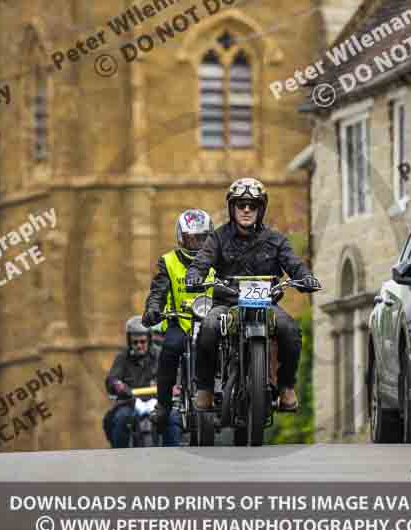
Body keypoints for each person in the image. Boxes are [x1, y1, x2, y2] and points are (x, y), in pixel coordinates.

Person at [185, 178, 321, 412]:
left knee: (290, 330)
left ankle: (287, 386)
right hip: (227, 304)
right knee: (207, 328)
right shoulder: (217, 238)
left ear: (261, 209)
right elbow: (201, 262)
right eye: (241, 205)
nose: (246, 210)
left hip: (266, 305)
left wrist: (306, 277)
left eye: (253, 205)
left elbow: (294, 264)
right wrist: (194, 275)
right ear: (232, 208)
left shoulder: (276, 240)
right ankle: (205, 389)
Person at [142, 208, 214, 430]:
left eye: (201, 238)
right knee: (169, 351)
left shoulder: (218, 259)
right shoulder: (169, 261)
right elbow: (158, 290)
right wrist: (153, 308)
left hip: (211, 321)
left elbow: (229, 284)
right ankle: (163, 405)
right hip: (180, 322)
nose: (196, 244)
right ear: (181, 237)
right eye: (191, 238)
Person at [103, 316, 182, 447]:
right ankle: (119, 455)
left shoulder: (161, 355)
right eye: (135, 342)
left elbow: (175, 375)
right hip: (130, 403)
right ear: (129, 342)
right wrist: (118, 386)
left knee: (173, 418)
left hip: (159, 402)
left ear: (149, 340)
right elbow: (112, 379)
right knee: (118, 419)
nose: (139, 345)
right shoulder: (122, 358)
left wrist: (174, 387)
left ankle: (173, 454)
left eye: (142, 341)